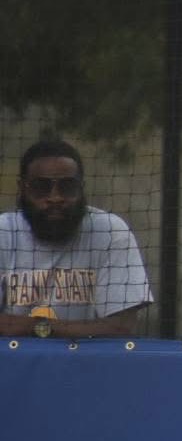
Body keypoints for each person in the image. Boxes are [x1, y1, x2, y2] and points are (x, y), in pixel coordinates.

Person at [0, 139, 151, 338]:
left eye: (67, 187)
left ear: (81, 188)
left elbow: (121, 326)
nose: (55, 198)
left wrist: (39, 327)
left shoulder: (110, 231)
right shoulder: (4, 231)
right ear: (22, 188)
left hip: (88, 356)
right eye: (41, 187)